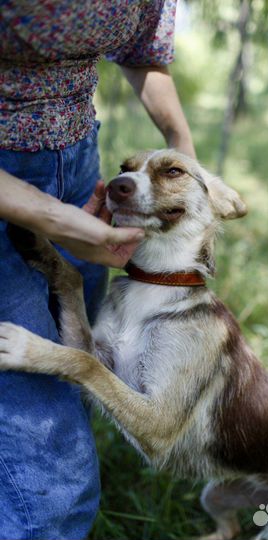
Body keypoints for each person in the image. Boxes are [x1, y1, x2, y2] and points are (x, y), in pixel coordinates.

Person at [0, 2, 195, 539]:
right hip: (10, 179)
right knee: (52, 476)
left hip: (79, 169)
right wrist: (54, 220)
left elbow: (142, 53)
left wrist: (184, 150)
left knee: (77, 368)